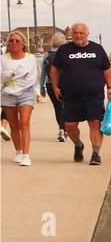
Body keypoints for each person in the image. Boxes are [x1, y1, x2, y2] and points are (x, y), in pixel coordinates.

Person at [49, 23, 111, 166]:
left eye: (81, 33)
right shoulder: (64, 50)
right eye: (75, 33)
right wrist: (55, 87)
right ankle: (78, 144)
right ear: (71, 34)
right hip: (71, 95)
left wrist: (110, 88)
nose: (78, 36)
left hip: (94, 95)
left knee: (95, 123)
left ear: (87, 34)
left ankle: (96, 153)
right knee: (69, 125)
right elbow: (54, 70)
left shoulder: (97, 49)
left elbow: (107, 70)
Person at [2, 30, 39, 167]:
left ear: (23, 44)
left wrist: (15, 82)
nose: (14, 43)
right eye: (11, 41)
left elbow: (31, 78)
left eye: (17, 41)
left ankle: (26, 155)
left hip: (25, 93)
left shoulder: (30, 58)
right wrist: (10, 75)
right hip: (7, 94)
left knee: (24, 123)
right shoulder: (3, 58)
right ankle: (17, 152)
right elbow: (1, 77)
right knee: (13, 125)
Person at [40, 30, 68, 142]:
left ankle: (62, 130)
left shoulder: (47, 54)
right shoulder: (66, 53)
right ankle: (64, 130)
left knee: (58, 108)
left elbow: (42, 72)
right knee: (66, 107)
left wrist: (42, 87)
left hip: (50, 84)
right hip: (65, 84)